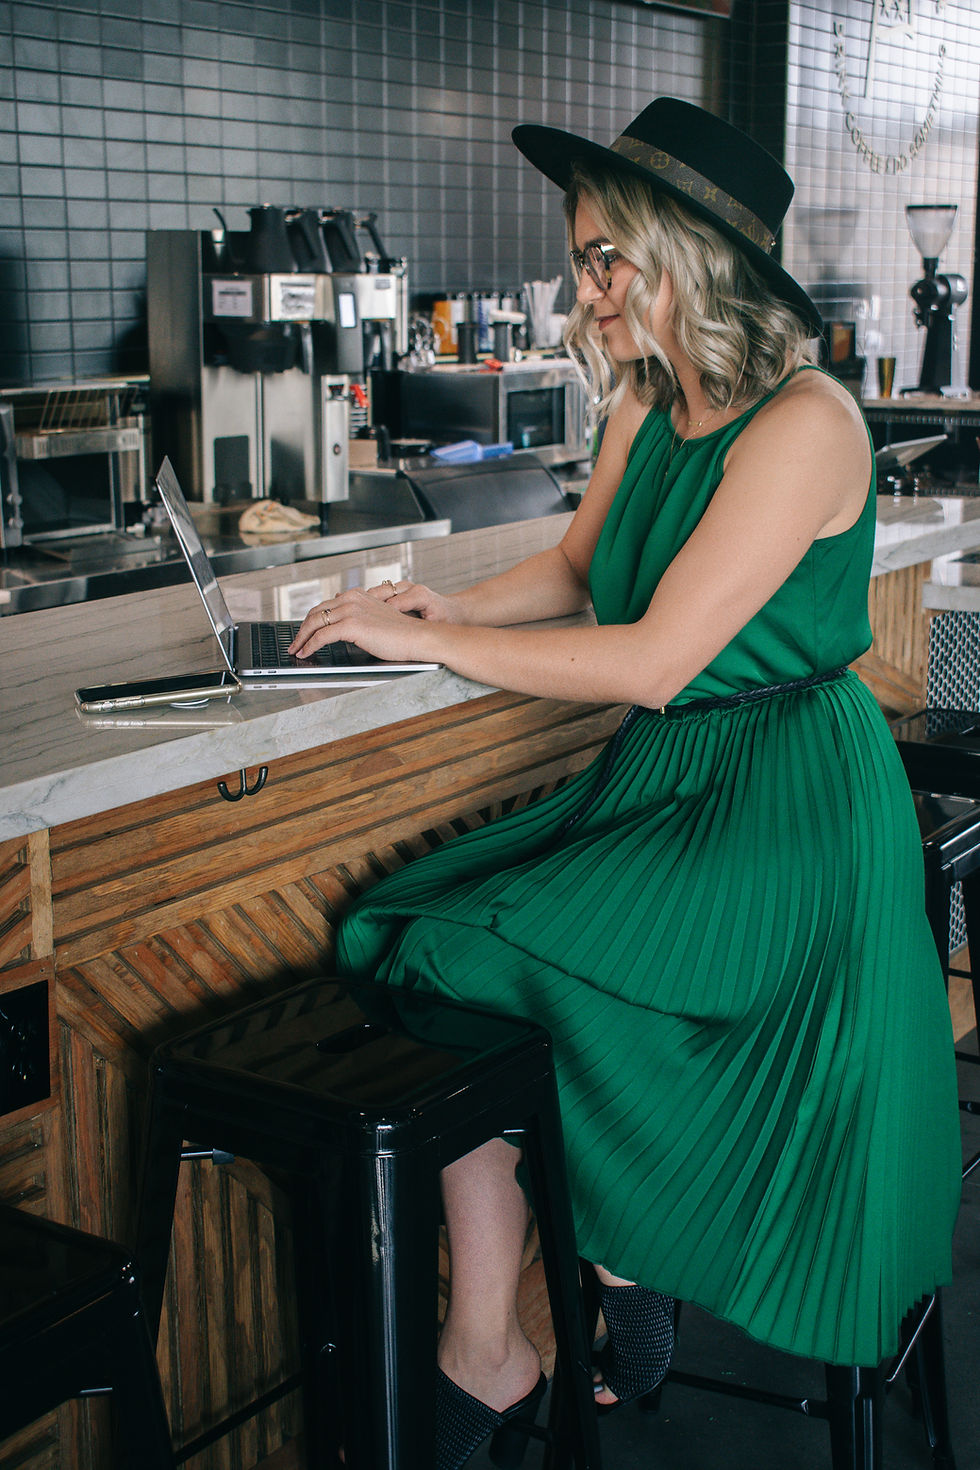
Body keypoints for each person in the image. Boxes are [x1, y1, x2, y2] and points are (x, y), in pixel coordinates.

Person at [289, 98, 961, 1470]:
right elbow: (584, 572)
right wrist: (430, 608)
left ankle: (604, 1263)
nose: (584, 293)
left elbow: (659, 655)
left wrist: (454, 648)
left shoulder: (807, 421)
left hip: (787, 805)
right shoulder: (654, 397)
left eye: (608, 262)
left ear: (692, 257)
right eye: (582, 260)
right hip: (671, 780)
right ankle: (496, 1332)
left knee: (493, 948)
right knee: (420, 943)